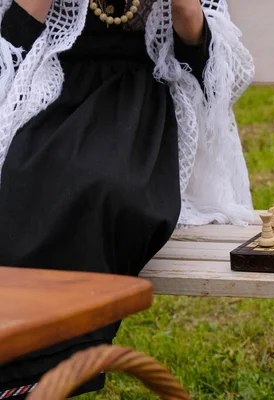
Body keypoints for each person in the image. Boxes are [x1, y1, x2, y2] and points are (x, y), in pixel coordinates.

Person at [0, 0, 255, 397]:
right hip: (45, 90)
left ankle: (40, 375)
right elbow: (11, 42)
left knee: (99, 186)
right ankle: (18, 363)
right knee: (15, 181)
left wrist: (185, 9)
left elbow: (208, 72)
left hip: (137, 103)